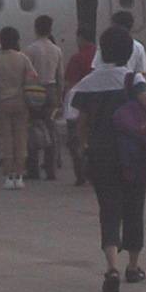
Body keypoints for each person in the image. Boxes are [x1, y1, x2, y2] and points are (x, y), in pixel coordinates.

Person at [74, 25, 146, 292]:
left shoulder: (88, 83)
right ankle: (133, 267)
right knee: (134, 207)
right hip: (132, 153)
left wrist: (84, 146)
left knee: (108, 209)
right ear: (127, 52)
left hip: (101, 154)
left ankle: (111, 266)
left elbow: (81, 123)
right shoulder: (131, 80)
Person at [0, 26, 35, 190]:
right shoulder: (23, 58)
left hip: (1, 103)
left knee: (5, 139)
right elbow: (32, 78)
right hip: (21, 103)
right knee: (21, 138)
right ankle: (20, 175)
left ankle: (8, 176)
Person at [23, 15, 63, 181]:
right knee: (50, 128)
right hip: (51, 88)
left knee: (32, 128)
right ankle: (51, 169)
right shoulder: (56, 50)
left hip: (35, 90)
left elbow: (28, 75)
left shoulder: (30, 49)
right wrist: (60, 96)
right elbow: (60, 75)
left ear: (36, 28)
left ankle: (33, 169)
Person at [63, 26, 97, 186]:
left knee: (75, 141)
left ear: (81, 38)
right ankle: (96, 172)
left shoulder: (77, 58)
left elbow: (71, 84)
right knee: (95, 139)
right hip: (97, 105)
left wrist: (64, 105)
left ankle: (81, 174)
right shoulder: (100, 57)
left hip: (79, 105)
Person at [110, 9, 146, 77]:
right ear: (131, 26)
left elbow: (96, 67)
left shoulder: (104, 46)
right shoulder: (138, 47)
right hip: (128, 85)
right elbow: (141, 73)